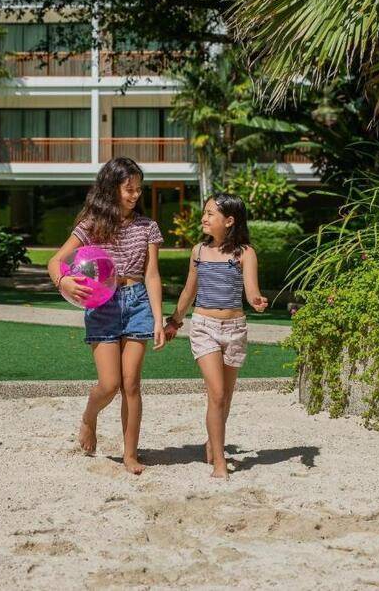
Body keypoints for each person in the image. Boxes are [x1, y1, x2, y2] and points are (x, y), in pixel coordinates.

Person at [47, 157, 166, 475]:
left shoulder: (148, 227)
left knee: (131, 385)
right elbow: (56, 260)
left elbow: (152, 274)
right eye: (129, 189)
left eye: (139, 189)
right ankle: (90, 417)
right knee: (110, 384)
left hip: (138, 302)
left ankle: (130, 454)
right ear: (111, 189)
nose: (135, 195)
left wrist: (158, 318)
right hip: (103, 305)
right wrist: (64, 280)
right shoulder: (92, 225)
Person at [164, 194, 267, 479]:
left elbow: (251, 291)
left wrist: (257, 301)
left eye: (211, 213)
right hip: (204, 327)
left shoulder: (245, 253)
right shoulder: (198, 251)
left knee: (225, 397)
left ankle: (213, 442)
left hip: (235, 329)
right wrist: (174, 321)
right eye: (205, 212)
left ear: (229, 220)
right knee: (217, 393)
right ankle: (220, 462)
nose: (204, 218)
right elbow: (189, 291)